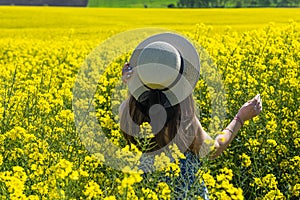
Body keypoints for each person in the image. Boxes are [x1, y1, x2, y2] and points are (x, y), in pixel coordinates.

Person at [119, 33, 262, 199]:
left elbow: (139, 101)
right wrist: (240, 117)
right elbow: (212, 150)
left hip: (147, 192)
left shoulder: (127, 111)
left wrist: (132, 86)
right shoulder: (182, 119)